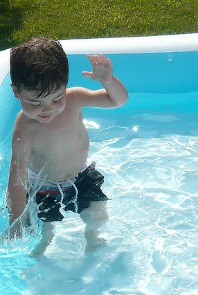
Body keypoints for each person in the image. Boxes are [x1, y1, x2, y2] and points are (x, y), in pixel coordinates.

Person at [5, 37, 128, 257]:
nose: (47, 109)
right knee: (45, 230)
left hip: (82, 177)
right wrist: (15, 221)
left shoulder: (75, 99)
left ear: (65, 86)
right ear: (16, 92)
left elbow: (118, 101)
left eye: (56, 98)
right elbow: (16, 178)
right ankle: (42, 248)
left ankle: (93, 242)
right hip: (43, 187)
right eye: (34, 103)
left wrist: (108, 81)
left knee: (98, 217)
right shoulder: (24, 128)